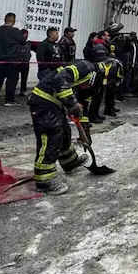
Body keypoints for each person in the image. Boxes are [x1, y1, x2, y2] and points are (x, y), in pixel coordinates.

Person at [28, 59, 97, 194]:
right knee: (51, 137)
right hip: (43, 102)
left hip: (54, 104)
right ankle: (45, 180)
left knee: (64, 133)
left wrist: (85, 132)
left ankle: (70, 163)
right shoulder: (85, 67)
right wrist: (71, 103)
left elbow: (82, 105)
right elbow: (61, 78)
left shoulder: (92, 80)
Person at [0, 13, 26, 107]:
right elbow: (23, 41)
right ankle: (9, 100)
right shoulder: (15, 31)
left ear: (5, 19)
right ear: (13, 20)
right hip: (12, 60)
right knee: (11, 80)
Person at [18, 29, 32, 96]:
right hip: (17, 62)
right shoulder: (17, 43)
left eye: (26, 35)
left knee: (24, 78)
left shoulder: (29, 43)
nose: (25, 37)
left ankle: (23, 90)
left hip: (26, 63)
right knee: (14, 78)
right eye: (24, 35)